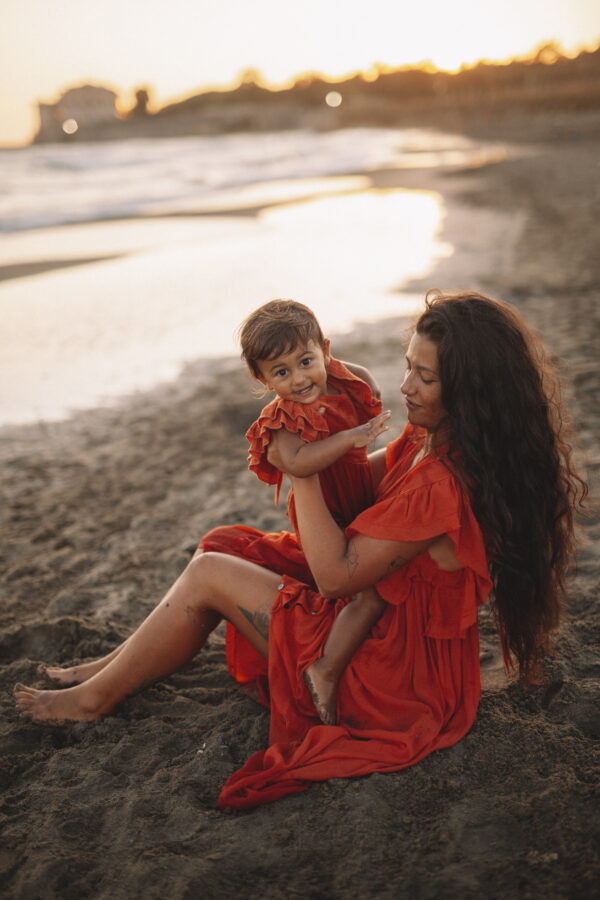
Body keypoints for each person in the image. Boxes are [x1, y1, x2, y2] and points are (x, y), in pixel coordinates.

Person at [15, 291, 587, 811]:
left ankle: (94, 699)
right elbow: (362, 476)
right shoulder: (435, 433)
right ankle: (111, 667)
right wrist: (319, 443)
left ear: (471, 389)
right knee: (225, 544)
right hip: (382, 626)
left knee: (212, 572)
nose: (407, 386)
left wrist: (299, 469)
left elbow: (336, 577)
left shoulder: (444, 483)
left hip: (389, 676)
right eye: (408, 367)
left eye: (426, 377)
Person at [237, 299, 390, 724]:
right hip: (321, 513)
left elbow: (364, 381)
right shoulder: (280, 421)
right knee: (368, 593)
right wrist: (352, 438)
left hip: (357, 494)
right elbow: (300, 463)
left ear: (325, 349)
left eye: (306, 361)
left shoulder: (339, 377)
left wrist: (366, 382)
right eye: (281, 372)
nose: (300, 379)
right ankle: (324, 670)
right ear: (261, 378)